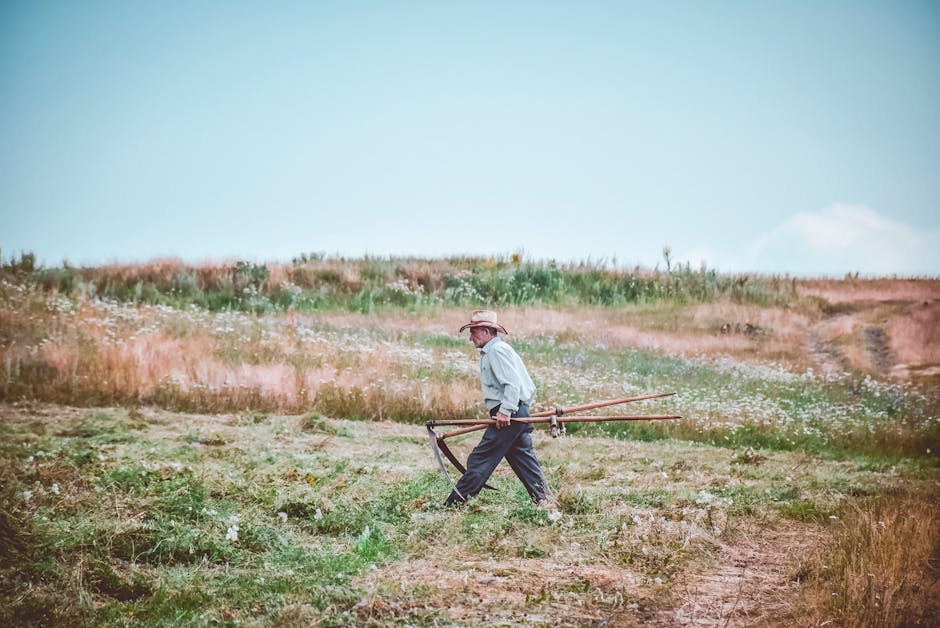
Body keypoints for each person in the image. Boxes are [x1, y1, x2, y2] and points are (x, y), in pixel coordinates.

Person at [444, 309, 550, 506]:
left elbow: (513, 384)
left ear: (485, 331)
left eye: (473, 332)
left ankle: (454, 504)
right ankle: (547, 502)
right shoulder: (495, 351)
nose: (470, 338)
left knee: (480, 459)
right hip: (514, 412)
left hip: (507, 414)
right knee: (524, 462)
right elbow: (526, 386)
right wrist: (518, 409)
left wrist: (506, 411)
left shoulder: (497, 351)